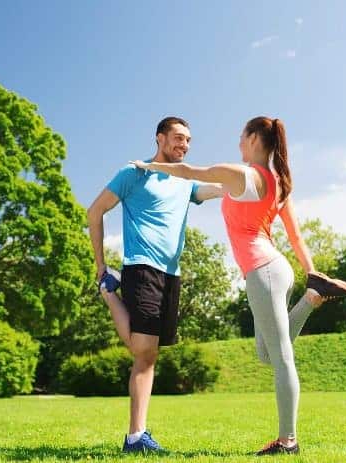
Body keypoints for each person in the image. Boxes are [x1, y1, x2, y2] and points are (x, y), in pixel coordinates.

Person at [131, 116, 346, 456]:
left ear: (254, 138)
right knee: (266, 354)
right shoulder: (279, 182)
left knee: (282, 358)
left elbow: (190, 171)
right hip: (274, 270)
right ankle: (312, 297)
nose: (238, 142)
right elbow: (294, 236)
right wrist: (312, 273)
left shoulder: (240, 174)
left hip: (263, 270)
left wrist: (145, 165)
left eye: (241, 136)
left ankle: (288, 441)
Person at [87, 116, 223, 453]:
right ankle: (135, 436)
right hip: (142, 267)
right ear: (160, 138)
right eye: (178, 138)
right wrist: (100, 264)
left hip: (171, 274)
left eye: (188, 140)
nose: (184, 145)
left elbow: (212, 189)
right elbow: (95, 212)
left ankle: (108, 292)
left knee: (148, 354)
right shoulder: (134, 173)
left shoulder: (185, 179)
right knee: (143, 350)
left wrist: (244, 181)